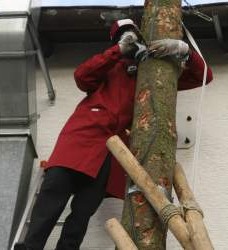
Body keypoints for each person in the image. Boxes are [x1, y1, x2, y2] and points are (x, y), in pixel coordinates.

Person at [14, 19, 213, 250]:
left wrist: (184, 51)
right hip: (79, 141)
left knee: (82, 214)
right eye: (123, 36)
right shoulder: (108, 67)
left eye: (133, 35)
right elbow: (81, 76)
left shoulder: (152, 75)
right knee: (47, 207)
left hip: (107, 156)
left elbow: (203, 76)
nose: (131, 40)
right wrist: (116, 52)